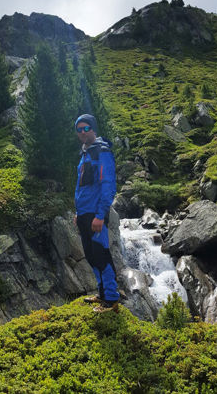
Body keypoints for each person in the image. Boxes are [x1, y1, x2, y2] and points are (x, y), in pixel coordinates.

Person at [74, 113, 120, 313]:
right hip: (84, 213)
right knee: (91, 256)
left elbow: (108, 185)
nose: (83, 132)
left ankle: (111, 299)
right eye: (79, 129)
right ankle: (101, 293)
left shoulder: (102, 152)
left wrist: (100, 215)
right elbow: (80, 187)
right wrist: (78, 212)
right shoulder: (85, 153)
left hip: (95, 214)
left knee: (101, 254)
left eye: (86, 128)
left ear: (93, 129)